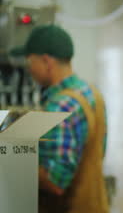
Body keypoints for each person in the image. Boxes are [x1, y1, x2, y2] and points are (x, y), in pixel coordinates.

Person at [10, 24, 109, 213]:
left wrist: (12, 157)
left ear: (46, 62)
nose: (29, 69)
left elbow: (55, 182)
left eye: (30, 62)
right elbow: (96, 153)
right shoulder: (91, 93)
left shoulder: (60, 106)